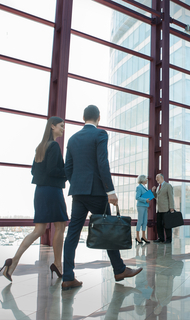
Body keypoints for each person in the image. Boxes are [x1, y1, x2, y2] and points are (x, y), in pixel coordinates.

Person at [61, 105, 142, 290]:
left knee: (72, 233)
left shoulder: (73, 139)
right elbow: (102, 162)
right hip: (97, 192)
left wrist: (78, 184)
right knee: (108, 229)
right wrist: (110, 191)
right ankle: (119, 269)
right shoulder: (100, 134)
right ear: (99, 117)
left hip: (78, 193)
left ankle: (67, 277)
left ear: (83, 117)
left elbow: (68, 168)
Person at [0, 117, 68, 282]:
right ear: (52, 126)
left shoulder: (40, 147)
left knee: (38, 230)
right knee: (60, 227)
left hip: (40, 192)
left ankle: (13, 261)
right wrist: (68, 171)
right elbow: (53, 170)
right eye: (61, 126)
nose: (63, 129)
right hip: (52, 191)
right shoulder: (54, 146)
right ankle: (58, 265)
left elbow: (33, 172)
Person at [151, 173, 175, 244]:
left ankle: (168, 239)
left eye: (157, 177)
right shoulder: (158, 187)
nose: (156, 179)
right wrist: (153, 192)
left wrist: (171, 207)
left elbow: (171, 197)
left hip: (166, 209)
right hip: (159, 209)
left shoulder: (168, 186)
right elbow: (156, 198)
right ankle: (161, 238)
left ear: (161, 177)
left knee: (167, 224)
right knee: (159, 225)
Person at [135, 175, 151, 245]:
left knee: (145, 221)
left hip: (145, 206)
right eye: (146, 179)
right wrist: (145, 200)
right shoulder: (139, 187)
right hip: (141, 206)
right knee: (140, 221)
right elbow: (137, 197)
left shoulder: (144, 187)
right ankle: (137, 237)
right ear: (143, 180)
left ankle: (143, 236)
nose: (147, 180)